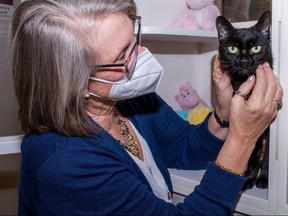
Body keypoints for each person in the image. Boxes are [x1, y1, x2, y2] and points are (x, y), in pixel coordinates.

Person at [10, 0, 283, 215]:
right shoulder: (64, 164)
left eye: (135, 39)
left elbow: (186, 147)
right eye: (123, 55)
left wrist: (223, 113)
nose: (142, 55)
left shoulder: (131, 101)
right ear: (76, 82)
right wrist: (244, 138)